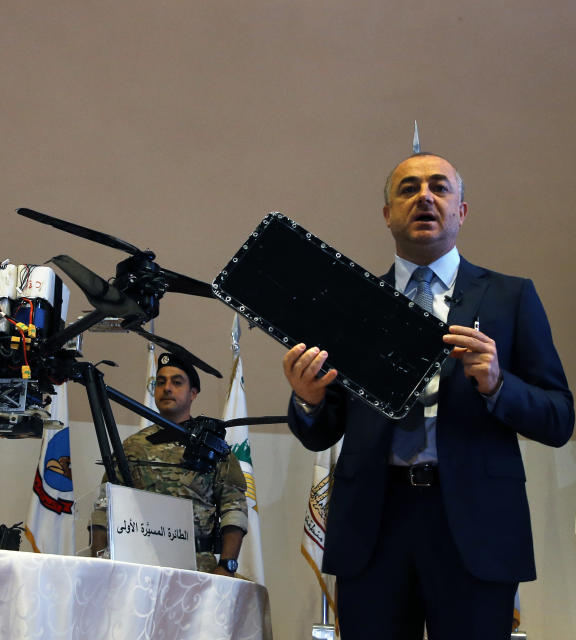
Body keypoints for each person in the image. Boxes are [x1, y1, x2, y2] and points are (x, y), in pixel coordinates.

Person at [282, 152, 574, 638]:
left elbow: (559, 418)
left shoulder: (511, 297)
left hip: (476, 525)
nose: (424, 197)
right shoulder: (351, 306)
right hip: (374, 525)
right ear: (387, 215)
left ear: (461, 211)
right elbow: (322, 430)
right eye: (408, 188)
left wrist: (499, 384)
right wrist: (309, 399)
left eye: (439, 187)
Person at [91, 352, 248, 577]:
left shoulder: (213, 448)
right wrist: (99, 561)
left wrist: (227, 565)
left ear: (193, 393)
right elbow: (104, 506)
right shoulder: (132, 446)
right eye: (161, 382)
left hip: (198, 569)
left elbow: (235, 509)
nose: (167, 388)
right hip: (137, 564)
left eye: (177, 382)